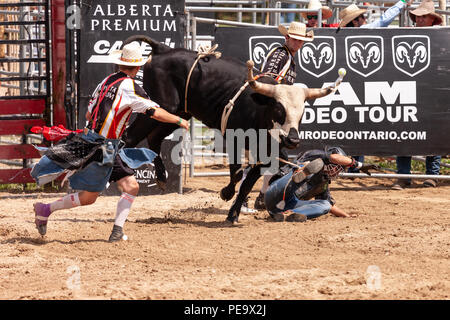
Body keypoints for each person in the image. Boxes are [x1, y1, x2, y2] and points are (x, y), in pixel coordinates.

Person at [31, 41, 189, 242]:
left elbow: (89, 114)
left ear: (120, 63)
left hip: (98, 142)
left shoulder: (105, 82)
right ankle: (45, 209)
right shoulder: (131, 88)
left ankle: (116, 231)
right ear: (138, 67)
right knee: (91, 197)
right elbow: (154, 112)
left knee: (129, 186)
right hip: (103, 146)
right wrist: (179, 119)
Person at [239, 22, 314, 212]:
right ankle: (250, 197)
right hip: (269, 114)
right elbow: (268, 79)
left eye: (301, 40)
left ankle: (260, 196)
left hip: (274, 115)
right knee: (263, 157)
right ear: (287, 38)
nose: (298, 43)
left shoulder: (286, 55)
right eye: (295, 39)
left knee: (271, 157)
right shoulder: (281, 54)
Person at [392, 0, 443, 190]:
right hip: (407, 90)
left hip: (432, 92)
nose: (419, 19)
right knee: (403, 130)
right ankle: (403, 175)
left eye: (423, 16)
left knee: (434, 132)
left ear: (432, 19)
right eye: (417, 16)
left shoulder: (441, 37)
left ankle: (432, 175)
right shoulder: (406, 34)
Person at [264, 146, 380, 222]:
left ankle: (290, 215)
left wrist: (347, 216)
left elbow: (330, 206)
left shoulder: (323, 181)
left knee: (325, 204)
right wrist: (359, 165)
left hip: (282, 207)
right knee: (306, 167)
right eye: (340, 167)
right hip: (276, 191)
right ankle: (302, 173)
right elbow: (334, 157)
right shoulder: (315, 155)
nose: (338, 171)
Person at [338, 0, 413, 29]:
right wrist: (403, 1)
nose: (365, 18)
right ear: (354, 22)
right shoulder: (363, 29)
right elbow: (383, 20)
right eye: (362, 16)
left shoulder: (346, 32)